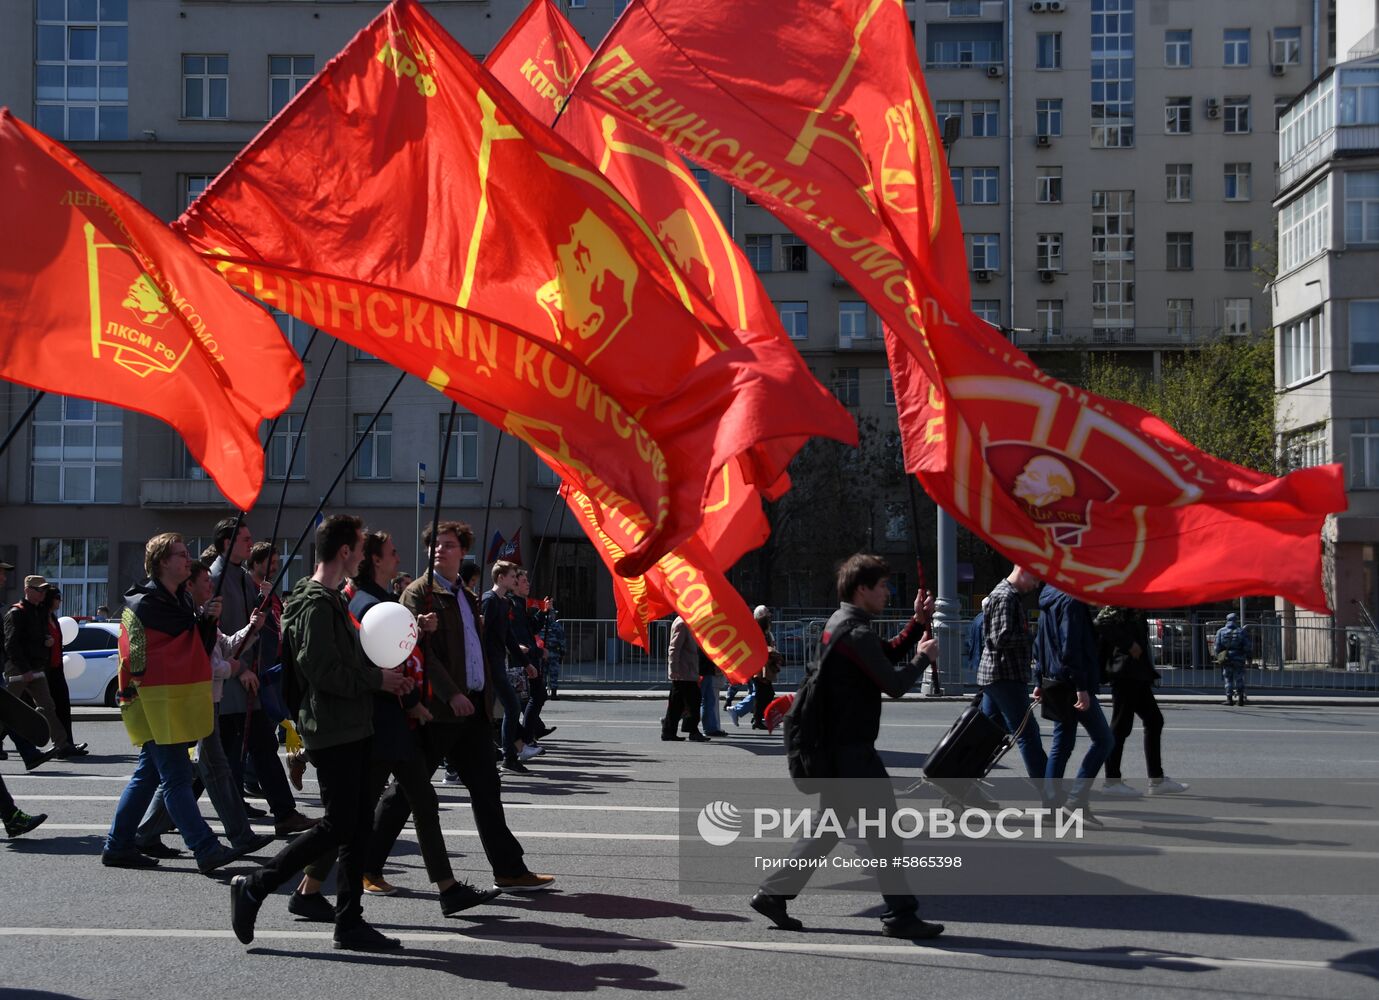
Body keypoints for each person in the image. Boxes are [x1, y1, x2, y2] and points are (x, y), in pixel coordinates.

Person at [290, 529, 498, 918]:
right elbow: (372, 660)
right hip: (376, 719)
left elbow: (391, 651)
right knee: (356, 815)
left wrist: (416, 636)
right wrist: (411, 698)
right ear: (374, 560)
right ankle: (300, 887)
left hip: (389, 716)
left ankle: (447, 889)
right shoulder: (366, 600)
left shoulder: (380, 598)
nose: (399, 557)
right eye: (392, 552)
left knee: (414, 800)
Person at [230, 515, 415, 952]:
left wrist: (381, 675)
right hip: (332, 729)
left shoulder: (328, 599)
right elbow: (323, 672)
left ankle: (348, 921)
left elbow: (345, 665)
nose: (361, 559)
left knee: (353, 829)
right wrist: (377, 681)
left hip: (351, 724)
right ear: (346, 552)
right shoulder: (313, 602)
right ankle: (257, 885)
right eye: (358, 548)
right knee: (339, 825)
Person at [751, 553, 943, 940]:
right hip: (851, 751)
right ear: (862, 589)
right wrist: (923, 658)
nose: (889, 592)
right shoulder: (853, 631)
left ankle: (774, 893)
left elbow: (881, 657)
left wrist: (915, 625)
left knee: (830, 828)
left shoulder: (843, 623)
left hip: (840, 748)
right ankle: (901, 914)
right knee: (884, 832)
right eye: (883, 586)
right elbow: (894, 682)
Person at [379, 521, 555, 893]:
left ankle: (508, 869)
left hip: (471, 708)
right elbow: (421, 652)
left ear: (463, 551)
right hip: (439, 711)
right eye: (435, 546)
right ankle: (367, 862)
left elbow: (475, 648)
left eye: (448, 545)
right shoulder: (418, 593)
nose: (440, 550)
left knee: (487, 789)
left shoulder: (464, 594)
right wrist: (450, 693)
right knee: (407, 791)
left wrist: (482, 694)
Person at [102, 533, 244, 873]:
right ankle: (205, 847)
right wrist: (203, 620)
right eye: (181, 554)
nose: (187, 559)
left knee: (149, 774)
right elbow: (167, 650)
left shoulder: (176, 599)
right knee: (177, 777)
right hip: (153, 700)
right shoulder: (148, 603)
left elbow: (194, 645)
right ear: (163, 562)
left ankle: (118, 844)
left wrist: (207, 620)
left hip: (163, 701)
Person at [133, 561, 277, 859]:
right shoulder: (189, 619)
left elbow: (225, 646)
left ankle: (144, 833)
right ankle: (233, 838)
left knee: (193, 771)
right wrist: (233, 668)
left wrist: (253, 627)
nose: (211, 587)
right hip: (194, 702)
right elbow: (205, 664)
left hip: (205, 702)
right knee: (197, 772)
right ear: (191, 586)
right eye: (206, 583)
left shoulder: (201, 617)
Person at [210, 517, 314, 836]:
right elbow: (217, 635)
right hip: (227, 683)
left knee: (262, 748)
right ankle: (165, 815)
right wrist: (239, 668)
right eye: (244, 539)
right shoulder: (214, 579)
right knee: (215, 761)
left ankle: (284, 813)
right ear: (228, 544)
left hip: (248, 679)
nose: (249, 543)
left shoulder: (241, 577)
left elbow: (249, 627)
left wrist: (261, 609)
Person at [1034, 583, 1114, 827]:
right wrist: (1082, 687)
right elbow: (1070, 647)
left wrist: (1038, 680)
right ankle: (1076, 801)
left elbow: (1039, 643)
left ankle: (1051, 808)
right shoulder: (1072, 601)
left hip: (1054, 681)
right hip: (1072, 682)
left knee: (1062, 742)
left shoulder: (1048, 597)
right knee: (1104, 740)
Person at [1095, 605, 1189, 797]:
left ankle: (1156, 779)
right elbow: (1101, 622)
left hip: (1136, 671)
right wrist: (1128, 644)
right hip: (1125, 671)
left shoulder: (1133, 597)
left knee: (1154, 720)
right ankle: (1112, 781)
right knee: (1121, 726)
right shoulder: (1121, 597)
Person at [976, 567, 1047, 780]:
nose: (1035, 586)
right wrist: (1029, 636)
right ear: (1023, 571)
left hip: (998, 675)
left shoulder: (1006, 595)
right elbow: (1001, 639)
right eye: (1034, 579)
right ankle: (1051, 793)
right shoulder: (1005, 597)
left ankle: (962, 784)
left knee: (989, 736)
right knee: (1027, 734)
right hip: (1004, 676)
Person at [4, 574, 79, 757]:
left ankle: (62, 744)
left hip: (36, 669)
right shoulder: (16, 613)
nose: (44, 593)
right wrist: (25, 669)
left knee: (47, 706)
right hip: (19, 670)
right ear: (28, 590)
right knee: (6, 710)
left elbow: (36, 638)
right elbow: (11, 645)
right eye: (40, 590)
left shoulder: (39, 612)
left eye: (45, 590)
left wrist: (46, 641)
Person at [481, 560, 539, 772]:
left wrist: (527, 664)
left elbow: (508, 637)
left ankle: (507, 754)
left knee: (506, 708)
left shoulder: (504, 603)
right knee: (508, 707)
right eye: (513, 576)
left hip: (498, 663)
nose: (515, 579)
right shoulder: (489, 601)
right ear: (500, 578)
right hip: (488, 664)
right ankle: (507, 754)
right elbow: (482, 634)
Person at [40, 585, 83, 755]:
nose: (60, 601)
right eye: (57, 597)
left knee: (63, 706)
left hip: (57, 669)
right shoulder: (41, 618)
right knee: (44, 709)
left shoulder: (53, 618)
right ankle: (60, 744)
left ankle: (68, 744)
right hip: (44, 670)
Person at [729, 607, 783, 729]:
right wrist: (769, 651)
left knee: (764, 693)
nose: (770, 619)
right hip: (757, 667)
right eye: (767, 617)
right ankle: (756, 719)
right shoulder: (755, 630)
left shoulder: (765, 631)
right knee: (763, 693)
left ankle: (757, 718)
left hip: (763, 665)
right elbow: (755, 647)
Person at [662, 616, 707, 742]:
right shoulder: (682, 623)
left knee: (677, 704)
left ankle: (669, 731)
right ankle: (692, 730)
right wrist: (674, 669)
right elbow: (674, 648)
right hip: (683, 672)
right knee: (693, 701)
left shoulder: (687, 622)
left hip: (687, 671)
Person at [1215, 613, 1250, 706]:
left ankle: (1229, 699)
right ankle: (1241, 698)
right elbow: (1247, 646)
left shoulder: (1221, 631)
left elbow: (1217, 647)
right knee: (1239, 678)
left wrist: (1219, 657)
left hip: (1227, 658)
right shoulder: (1241, 631)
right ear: (1236, 620)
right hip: (1239, 657)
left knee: (1228, 678)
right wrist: (1248, 657)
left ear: (1227, 620)